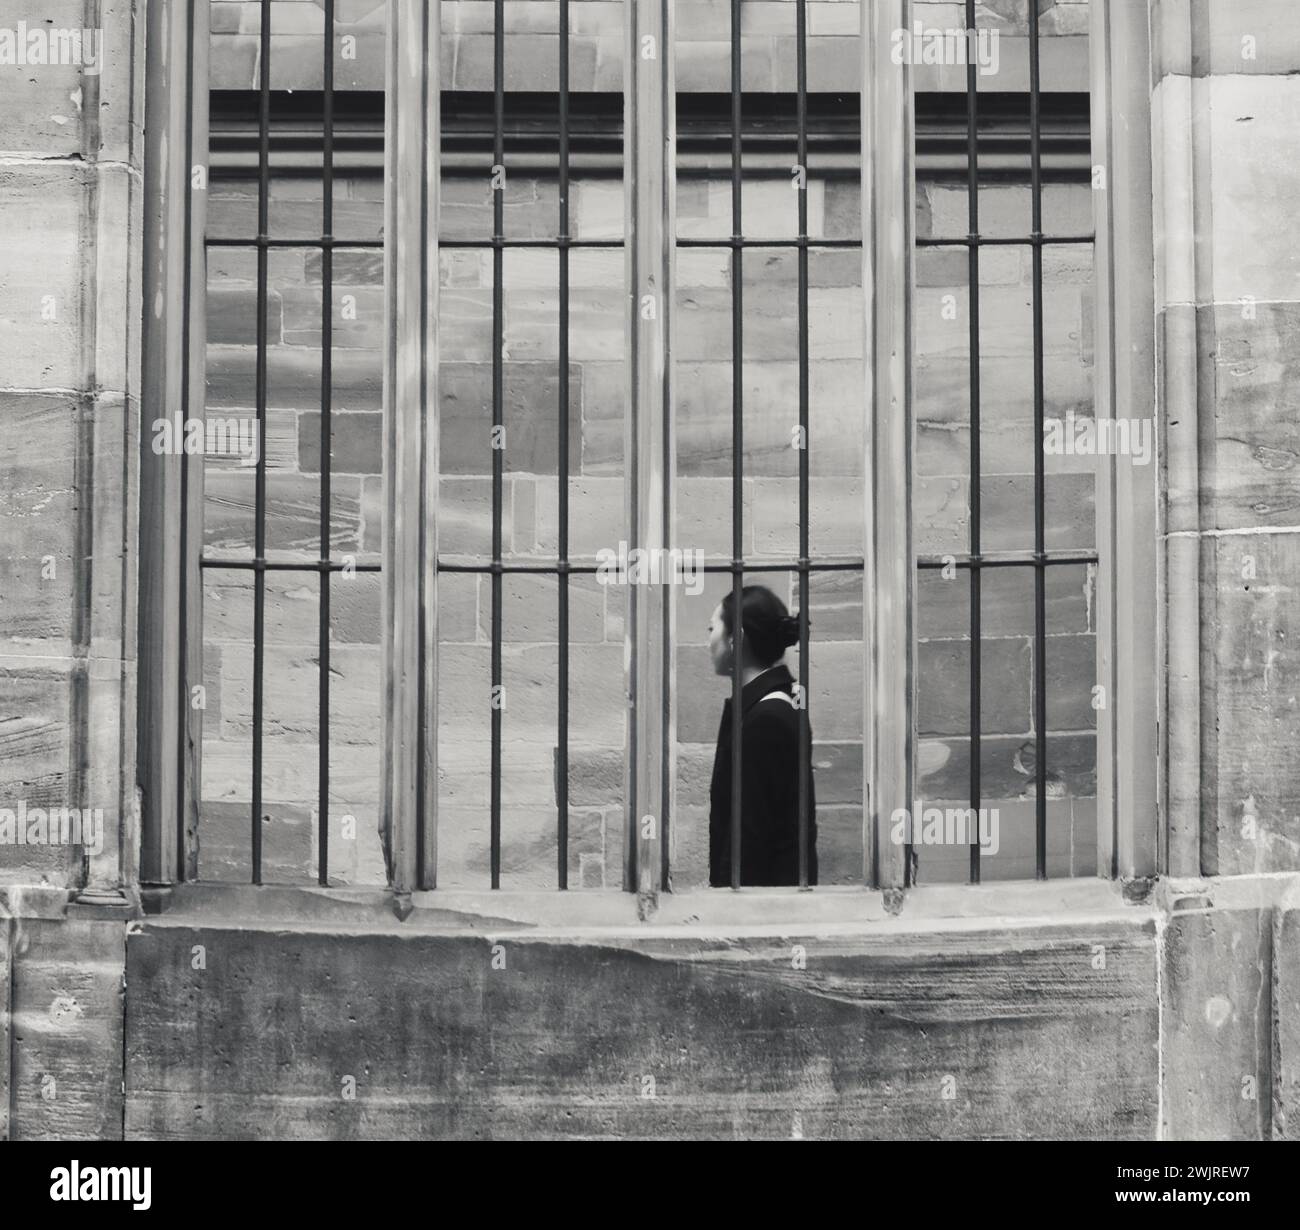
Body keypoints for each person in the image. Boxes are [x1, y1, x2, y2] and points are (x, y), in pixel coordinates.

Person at [707, 585, 818, 887]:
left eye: (712, 628)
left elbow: (751, 839)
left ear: (736, 638)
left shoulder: (766, 719)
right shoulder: (772, 706)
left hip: (759, 910)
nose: (709, 640)